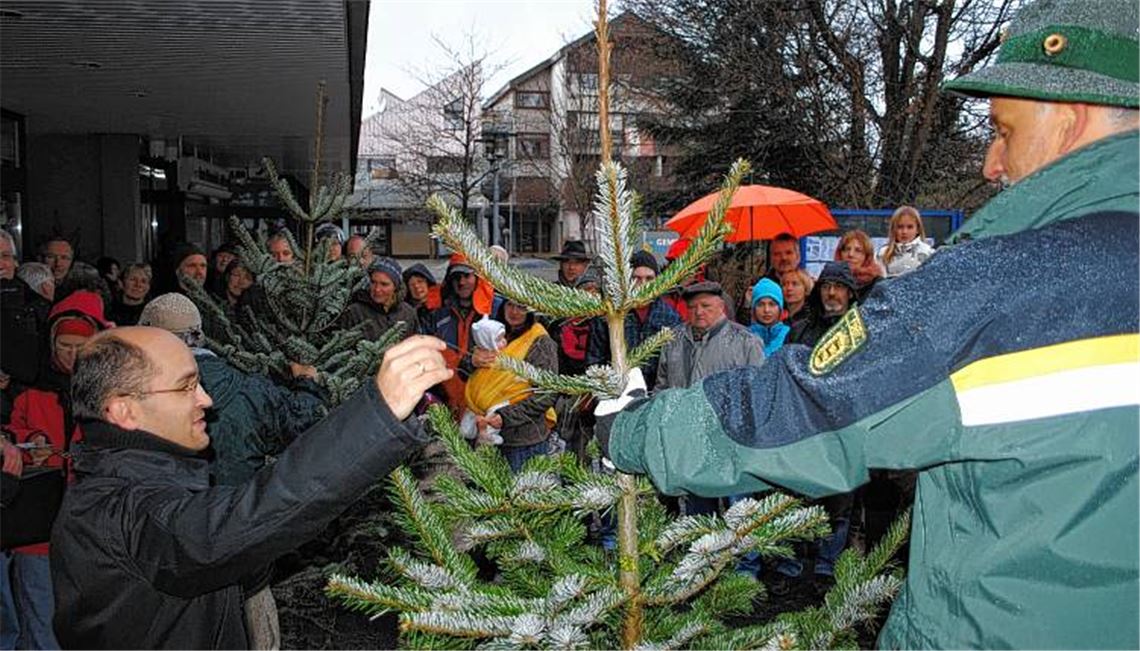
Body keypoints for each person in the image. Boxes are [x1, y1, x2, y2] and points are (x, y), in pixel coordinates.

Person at [596, 0, 1139, 646]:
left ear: (1071, 121)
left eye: (1003, 131)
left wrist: (631, 429)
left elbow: (808, 405)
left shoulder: (1000, 287)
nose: (991, 164)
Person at [51, 330, 450, 649]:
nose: (206, 400)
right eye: (186, 386)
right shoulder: (124, 511)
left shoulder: (151, 481)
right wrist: (376, 415)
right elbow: (251, 514)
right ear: (124, 410)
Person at [6, 290, 110, 650]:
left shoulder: (104, 393)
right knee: (39, 612)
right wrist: (27, 441)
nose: (71, 354)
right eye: (64, 345)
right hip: (37, 525)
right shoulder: (31, 390)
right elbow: (11, 432)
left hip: (87, 524)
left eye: (80, 346)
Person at [654, 281, 764, 517]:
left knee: (741, 511)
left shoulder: (745, 341)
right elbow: (662, 387)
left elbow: (758, 394)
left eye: (706, 306)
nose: (699, 312)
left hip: (731, 442)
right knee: (699, 511)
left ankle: (747, 555)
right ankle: (704, 553)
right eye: (693, 307)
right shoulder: (672, 341)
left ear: (721, 306)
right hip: (690, 442)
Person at [467, 300, 559, 473]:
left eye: (521, 307)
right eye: (510, 305)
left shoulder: (540, 342)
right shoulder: (492, 334)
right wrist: (471, 362)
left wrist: (505, 417)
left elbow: (545, 394)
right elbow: (468, 374)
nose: (515, 312)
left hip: (523, 440)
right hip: (484, 432)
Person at [587, 251, 681, 391]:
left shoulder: (670, 317)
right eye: (637, 278)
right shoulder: (610, 316)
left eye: (649, 278)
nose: (643, 284)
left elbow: (676, 364)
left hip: (657, 396)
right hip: (618, 395)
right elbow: (595, 360)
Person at [425, 255, 481, 414]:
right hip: (446, 401)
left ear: (478, 278)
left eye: (467, 276)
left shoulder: (493, 311)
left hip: (483, 401)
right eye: (456, 277)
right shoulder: (436, 314)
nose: (461, 282)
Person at [341, 257, 418, 342]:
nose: (377, 289)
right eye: (373, 282)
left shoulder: (408, 313)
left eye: (384, 284)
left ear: (395, 287)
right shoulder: (354, 313)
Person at [788, 261, 857, 347]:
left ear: (850, 293)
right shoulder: (799, 332)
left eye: (839, 286)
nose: (831, 293)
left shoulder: (861, 330)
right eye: (826, 286)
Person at [877, 206, 934, 278]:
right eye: (900, 227)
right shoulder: (883, 253)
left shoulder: (928, 253)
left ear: (918, 229)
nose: (904, 232)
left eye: (910, 227)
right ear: (893, 229)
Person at [835, 229, 883, 302]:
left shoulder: (877, 284)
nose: (850, 254)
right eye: (847, 249)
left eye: (858, 250)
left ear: (867, 256)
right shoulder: (830, 281)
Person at [749, 278, 789, 358]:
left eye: (772, 304)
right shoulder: (744, 336)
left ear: (780, 308)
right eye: (760, 304)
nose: (766, 310)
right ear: (753, 308)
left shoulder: (790, 335)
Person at [402, 263, 440, 332]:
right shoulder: (405, 312)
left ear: (428, 283)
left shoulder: (442, 306)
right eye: (412, 284)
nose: (416, 286)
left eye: (420, 281)